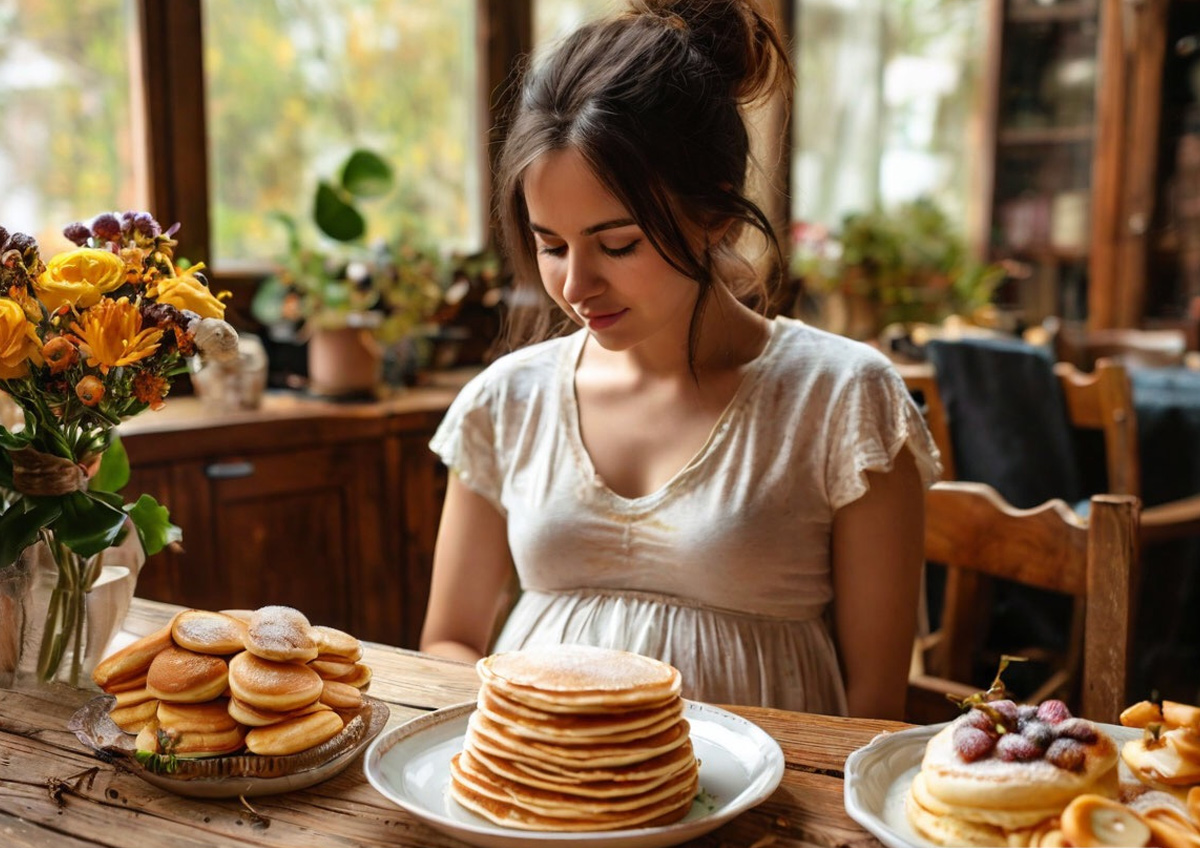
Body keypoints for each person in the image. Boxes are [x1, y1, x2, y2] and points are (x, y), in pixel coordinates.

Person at [419, 0, 941, 719]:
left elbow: (875, 706)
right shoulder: (505, 398)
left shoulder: (843, 399)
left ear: (719, 211)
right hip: (543, 793)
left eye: (619, 243)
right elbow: (448, 640)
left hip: (768, 809)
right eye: (551, 244)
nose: (576, 285)